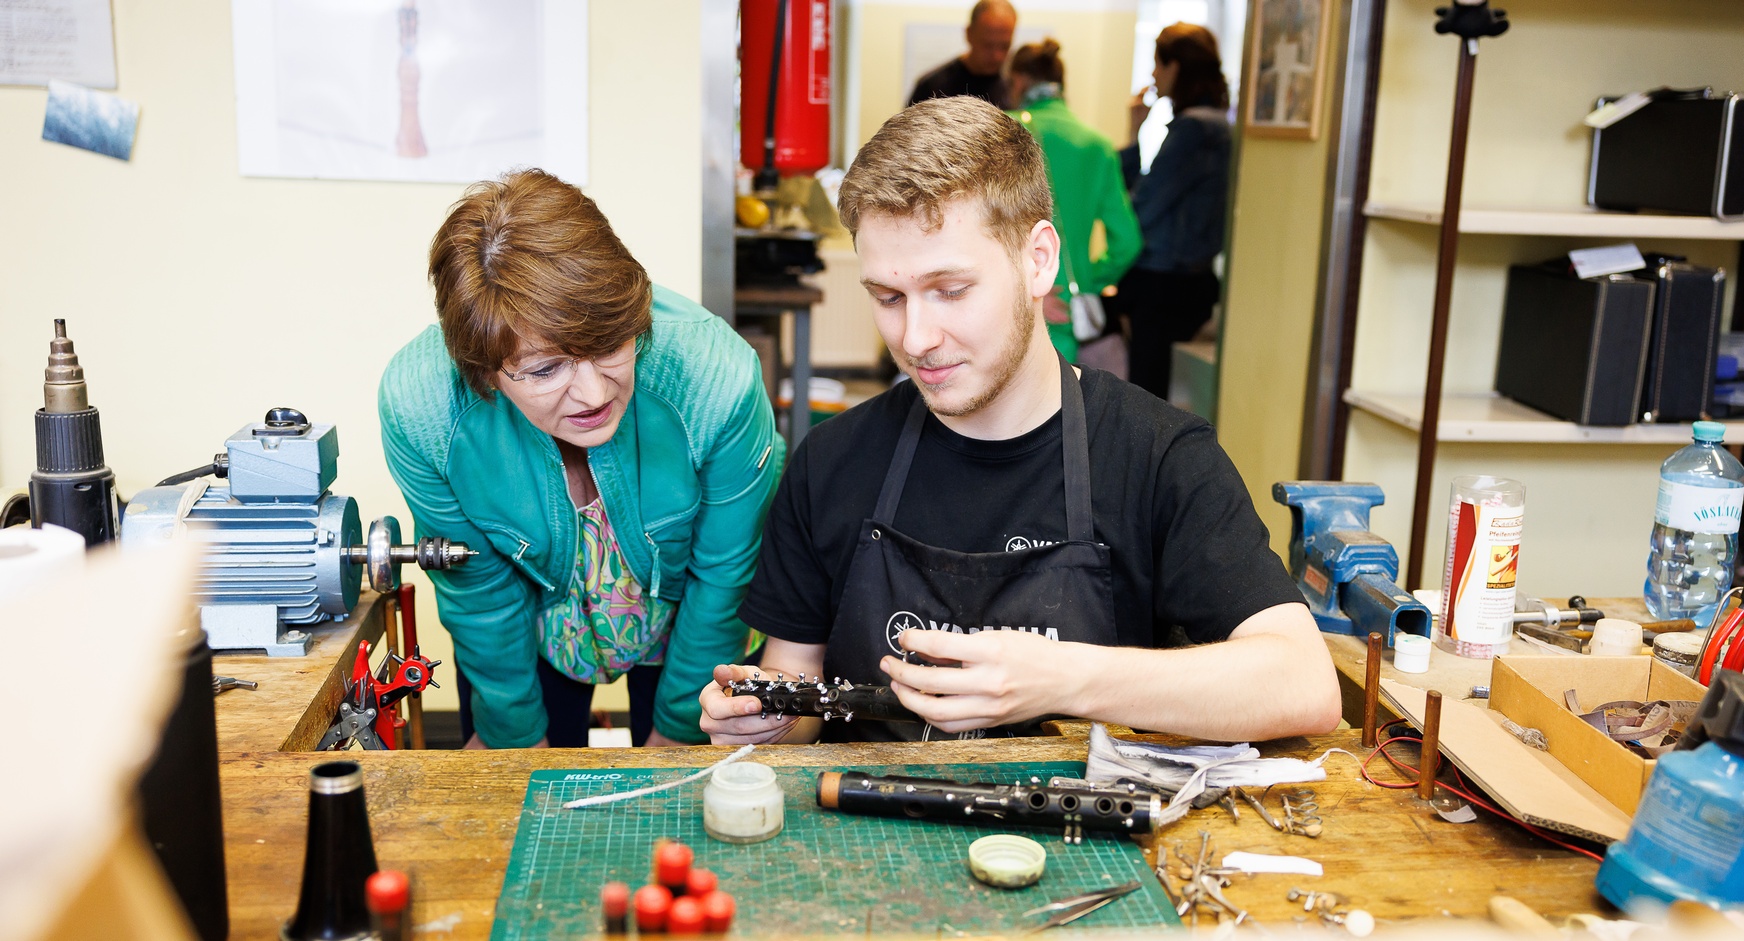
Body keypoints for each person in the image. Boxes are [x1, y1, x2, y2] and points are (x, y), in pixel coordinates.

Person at [698, 97, 1339, 746]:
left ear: (1039, 260)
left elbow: (1302, 683)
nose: (917, 338)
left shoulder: (1159, 459)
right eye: (889, 298)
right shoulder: (831, 461)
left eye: (950, 290)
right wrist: (764, 721)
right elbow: (796, 684)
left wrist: (1065, 678)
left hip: (1082, 842)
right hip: (867, 834)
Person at [380, 169, 784, 749]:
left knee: (687, 792)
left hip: (687, 616)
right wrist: (513, 739)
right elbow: (480, 593)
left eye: (610, 345)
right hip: (530, 622)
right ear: (483, 372)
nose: (595, 395)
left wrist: (676, 734)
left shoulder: (717, 379)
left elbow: (724, 575)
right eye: (545, 370)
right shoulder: (424, 407)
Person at [1105, 23, 1232, 401]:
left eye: (1157, 65)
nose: (1153, 76)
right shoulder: (1218, 125)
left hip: (1162, 289)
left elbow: (1138, 210)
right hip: (1193, 284)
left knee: (1145, 398)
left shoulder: (1194, 130)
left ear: (1175, 67)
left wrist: (1132, 136)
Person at [1004, 38, 1141, 362]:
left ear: (1019, 81)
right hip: (1066, 310)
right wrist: (1083, 279)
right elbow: (1128, 242)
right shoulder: (1097, 145)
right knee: (1061, 407)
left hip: (1011, 305)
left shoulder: (1003, 131)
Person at [907, 0, 1017, 108]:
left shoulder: (1015, 86)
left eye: (1004, 46)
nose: (996, 56)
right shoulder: (932, 86)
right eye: (987, 45)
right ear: (969, 34)